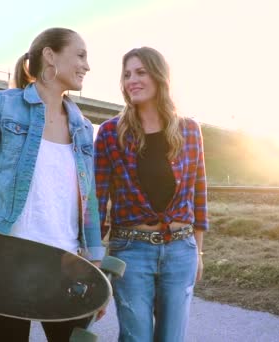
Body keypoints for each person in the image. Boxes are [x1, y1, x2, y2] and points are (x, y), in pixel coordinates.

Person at [0, 27, 105, 342]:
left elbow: (90, 204)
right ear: (49, 55)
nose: (87, 65)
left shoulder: (83, 127)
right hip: (4, 268)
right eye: (81, 55)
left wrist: (97, 274)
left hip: (66, 271)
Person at [94, 46, 208, 342]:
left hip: (181, 250)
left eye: (140, 72)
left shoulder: (190, 130)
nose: (132, 80)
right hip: (130, 252)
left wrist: (198, 251)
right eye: (127, 74)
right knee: (136, 338)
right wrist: (93, 256)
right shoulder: (109, 133)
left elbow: (198, 194)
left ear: (159, 77)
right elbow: (97, 199)